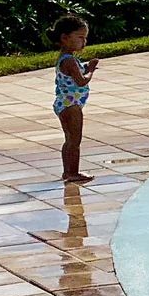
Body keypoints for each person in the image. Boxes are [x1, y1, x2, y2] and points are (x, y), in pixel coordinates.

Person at [52, 15, 99, 184]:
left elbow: (74, 75)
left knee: (69, 139)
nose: (83, 42)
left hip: (64, 103)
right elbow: (81, 80)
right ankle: (73, 172)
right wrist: (91, 70)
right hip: (71, 105)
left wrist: (84, 67)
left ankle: (68, 172)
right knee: (75, 140)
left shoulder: (66, 58)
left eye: (85, 38)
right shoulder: (70, 60)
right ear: (65, 38)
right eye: (80, 37)